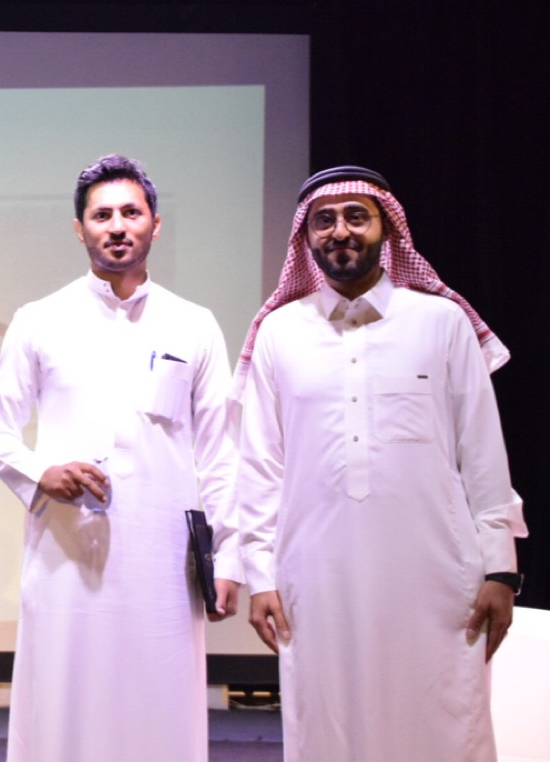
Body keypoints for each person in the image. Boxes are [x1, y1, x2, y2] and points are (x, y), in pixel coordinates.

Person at [234, 165, 528, 761]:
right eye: (324, 220)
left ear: (386, 228)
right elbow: (261, 466)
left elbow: (482, 453)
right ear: (305, 236)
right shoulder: (279, 333)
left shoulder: (441, 322)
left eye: (356, 217)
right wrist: (260, 577)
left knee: (443, 723)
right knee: (328, 726)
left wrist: (501, 570)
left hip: (438, 575)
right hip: (316, 576)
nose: (340, 231)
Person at [0, 154, 242, 761]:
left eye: (131, 212)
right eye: (102, 215)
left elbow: (220, 452)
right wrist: (42, 471)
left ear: (156, 224)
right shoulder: (39, 319)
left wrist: (228, 558)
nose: (117, 226)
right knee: (64, 704)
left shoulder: (195, 324)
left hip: (164, 560)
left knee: (160, 706)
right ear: (80, 229)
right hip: (66, 553)